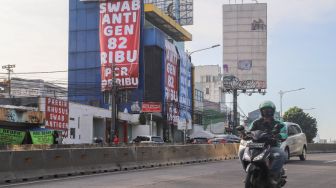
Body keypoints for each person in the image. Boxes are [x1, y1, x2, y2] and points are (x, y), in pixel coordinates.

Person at [239, 101, 288, 183]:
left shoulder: (278, 123)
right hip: (256, 145)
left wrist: (279, 135)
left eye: (269, 110)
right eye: (264, 110)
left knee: (281, 154)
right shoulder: (256, 122)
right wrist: (244, 134)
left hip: (271, 146)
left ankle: (272, 175)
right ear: (261, 111)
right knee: (242, 152)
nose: (267, 112)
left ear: (273, 111)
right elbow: (249, 132)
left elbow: (284, 134)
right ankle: (248, 173)